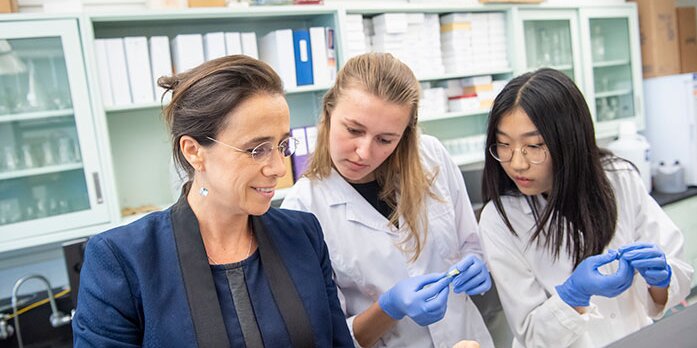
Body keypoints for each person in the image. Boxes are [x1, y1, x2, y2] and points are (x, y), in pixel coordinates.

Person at [72, 55, 353, 347]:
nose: (279, 168)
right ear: (194, 151)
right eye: (257, 150)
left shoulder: (302, 234)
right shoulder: (121, 260)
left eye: (282, 145)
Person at [281, 52, 495, 348]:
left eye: (385, 139)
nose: (364, 153)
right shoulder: (302, 208)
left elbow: (469, 243)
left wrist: (477, 263)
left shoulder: (431, 156)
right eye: (354, 130)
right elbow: (329, 337)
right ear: (329, 112)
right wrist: (389, 307)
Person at [478, 68, 694, 348]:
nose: (517, 163)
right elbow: (530, 335)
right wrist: (572, 296)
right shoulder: (500, 220)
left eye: (533, 146)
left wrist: (660, 279)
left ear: (569, 141)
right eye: (504, 145)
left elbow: (677, 273)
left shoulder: (618, 179)